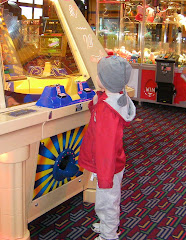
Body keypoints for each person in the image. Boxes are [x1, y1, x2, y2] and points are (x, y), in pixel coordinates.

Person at [78, 55, 136, 240]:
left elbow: (106, 146)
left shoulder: (106, 112)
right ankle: (106, 226)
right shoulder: (114, 98)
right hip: (110, 162)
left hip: (108, 164)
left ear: (106, 81)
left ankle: (109, 235)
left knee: (107, 201)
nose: (96, 78)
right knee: (105, 199)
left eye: (99, 75)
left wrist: (104, 175)